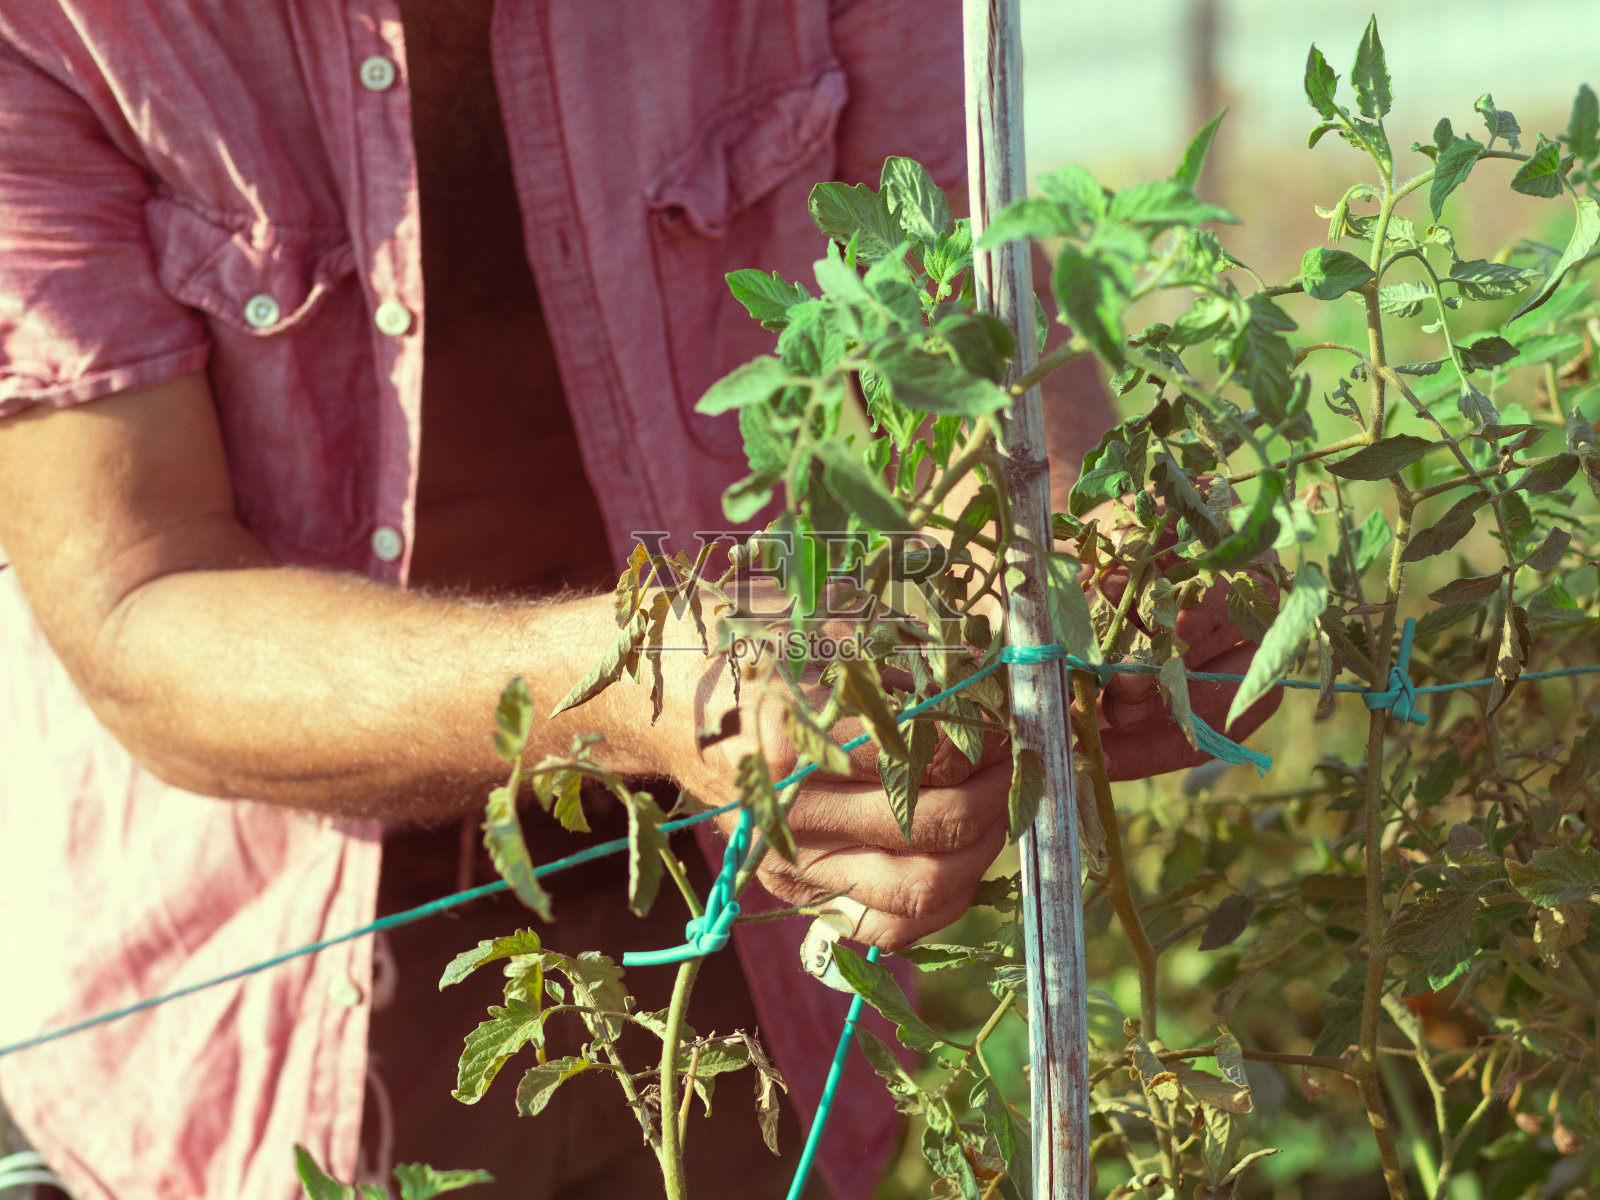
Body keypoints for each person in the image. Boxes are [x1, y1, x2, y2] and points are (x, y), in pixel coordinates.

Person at [0, 2, 1276, 1198]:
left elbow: (955, 303)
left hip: (764, 931)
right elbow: (138, 600)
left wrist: (1084, 541)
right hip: (265, 986)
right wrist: (649, 679)